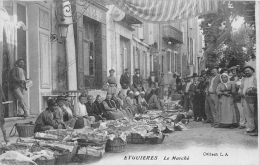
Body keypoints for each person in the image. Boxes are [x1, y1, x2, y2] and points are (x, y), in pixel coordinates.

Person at [239, 65, 257, 134]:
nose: (246, 72)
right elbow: (241, 87)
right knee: (247, 113)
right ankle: (251, 127)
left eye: (248, 71)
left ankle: (257, 128)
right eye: (245, 71)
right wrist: (240, 92)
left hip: (253, 98)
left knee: (254, 113)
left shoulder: (255, 78)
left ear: (252, 71)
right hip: (245, 98)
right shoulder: (244, 78)